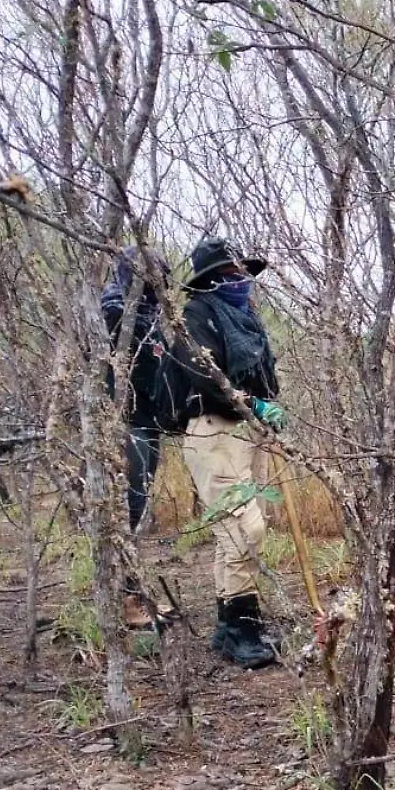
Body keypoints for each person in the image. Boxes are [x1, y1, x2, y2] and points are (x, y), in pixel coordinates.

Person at [169, 237, 287, 669]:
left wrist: (267, 407)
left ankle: (232, 625)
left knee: (232, 532)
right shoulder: (196, 317)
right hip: (213, 429)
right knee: (244, 528)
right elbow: (205, 374)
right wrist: (250, 403)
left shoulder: (244, 318)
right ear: (214, 278)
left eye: (244, 274)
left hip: (244, 433)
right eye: (234, 274)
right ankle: (242, 628)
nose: (242, 281)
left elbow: (262, 375)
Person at [99, 247, 183, 630]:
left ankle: (134, 597)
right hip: (126, 424)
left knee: (137, 511)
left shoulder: (149, 316)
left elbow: (159, 373)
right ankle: (125, 604)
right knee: (126, 513)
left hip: (147, 423)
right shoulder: (116, 312)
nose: (160, 284)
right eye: (153, 276)